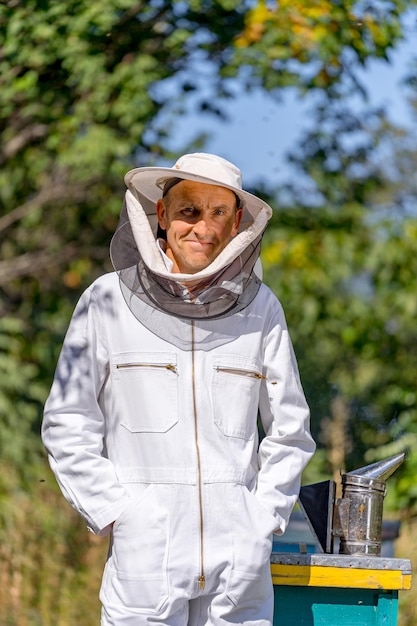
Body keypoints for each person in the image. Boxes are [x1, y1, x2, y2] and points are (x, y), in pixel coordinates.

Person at [42, 153, 315, 626]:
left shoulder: (261, 309)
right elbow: (68, 421)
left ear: (236, 225)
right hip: (146, 555)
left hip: (239, 559)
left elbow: (290, 429)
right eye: (189, 211)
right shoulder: (106, 301)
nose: (203, 228)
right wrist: (119, 513)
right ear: (162, 216)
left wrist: (261, 517)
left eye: (218, 214)